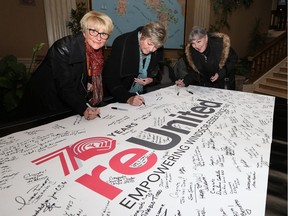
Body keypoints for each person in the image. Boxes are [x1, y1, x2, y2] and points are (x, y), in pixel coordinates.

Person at [20, 11, 113, 120]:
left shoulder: (94, 48)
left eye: (104, 33)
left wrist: (87, 81)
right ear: (84, 31)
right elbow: (65, 87)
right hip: (45, 100)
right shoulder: (62, 48)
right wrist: (83, 108)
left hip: (67, 99)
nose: (99, 37)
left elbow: (84, 70)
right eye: (93, 31)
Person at [102, 21, 167, 106]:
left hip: (141, 96)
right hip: (117, 97)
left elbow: (158, 73)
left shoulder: (157, 47)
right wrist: (128, 98)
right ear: (142, 35)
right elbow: (110, 78)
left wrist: (151, 79)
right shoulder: (122, 42)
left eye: (156, 47)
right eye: (149, 44)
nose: (152, 49)